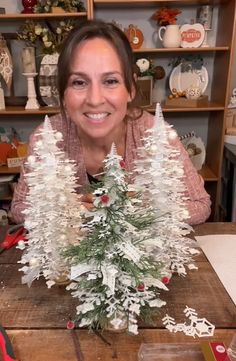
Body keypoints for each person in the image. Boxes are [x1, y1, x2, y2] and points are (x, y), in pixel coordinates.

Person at [11, 19, 211, 225]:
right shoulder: (48, 138)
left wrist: (139, 211)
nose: (95, 99)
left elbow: (200, 203)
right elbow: (18, 208)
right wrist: (68, 210)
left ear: (131, 89)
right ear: (63, 94)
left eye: (111, 81)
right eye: (79, 82)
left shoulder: (155, 133)